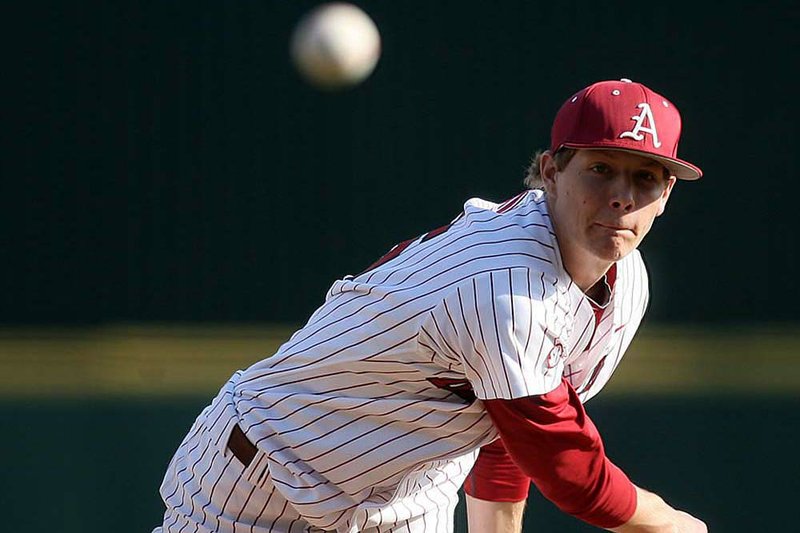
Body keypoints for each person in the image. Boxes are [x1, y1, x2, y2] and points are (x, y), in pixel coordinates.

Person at [153, 78, 707, 533]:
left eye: (646, 178)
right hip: (265, 475)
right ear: (550, 172)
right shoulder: (505, 285)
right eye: (601, 168)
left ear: (667, 196)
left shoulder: (626, 283)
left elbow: (507, 435)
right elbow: (567, 470)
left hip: (406, 492)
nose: (622, 196)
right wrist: (669, 522)